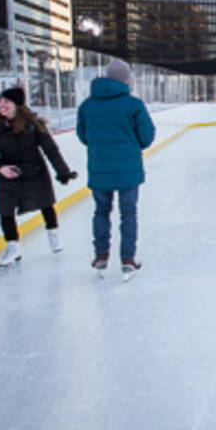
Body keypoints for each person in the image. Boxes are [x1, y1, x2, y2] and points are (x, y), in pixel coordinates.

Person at [0, 87, 77, 268]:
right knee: (5, 211)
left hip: (35, 170)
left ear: (17, 105)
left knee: (46, 204)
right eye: (0, 102)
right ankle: (12, 246)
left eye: (6, 102)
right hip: (9, 173)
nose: (2, 105)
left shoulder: (33, 124)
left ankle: (53, 235)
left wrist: (62, 171)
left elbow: (50, 149)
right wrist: (0, 168)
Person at [77, 59, 155, 282]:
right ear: (126, 79)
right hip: (128, 170)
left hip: (99, 168)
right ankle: (127, 259)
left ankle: (101, 255)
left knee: (101, 211)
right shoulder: (134, 105)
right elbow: (147, 137)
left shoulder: (87, 106)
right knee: (128, 213)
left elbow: (84, 136)